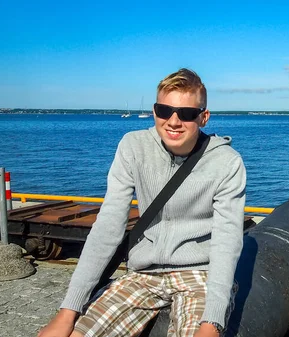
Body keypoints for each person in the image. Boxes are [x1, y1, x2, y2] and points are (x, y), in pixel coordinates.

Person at [38, 68, 246, 337]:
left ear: (203, 117)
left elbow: (226, 242)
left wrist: (212, 321)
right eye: (164, 110)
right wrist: (68, 311)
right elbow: (108, 226)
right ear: (154, 110)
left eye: (186, 113)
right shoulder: (133, 147)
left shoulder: (226, 163)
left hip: (199, 273)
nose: (173, 121)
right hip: (143, 272)